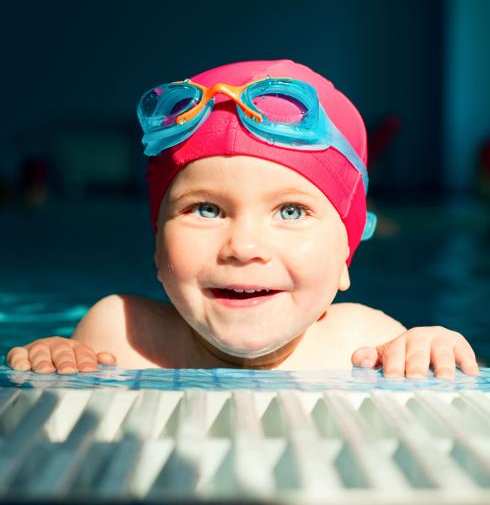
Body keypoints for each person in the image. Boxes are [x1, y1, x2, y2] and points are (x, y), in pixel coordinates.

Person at [6, 60, 479, 378]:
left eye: (291, 211)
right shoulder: (120, 335)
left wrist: (431, 348)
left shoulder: (368, 342)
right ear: (157, 243)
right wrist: (56, 359)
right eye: (206, 209)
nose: (243, 246)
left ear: (345, 258)